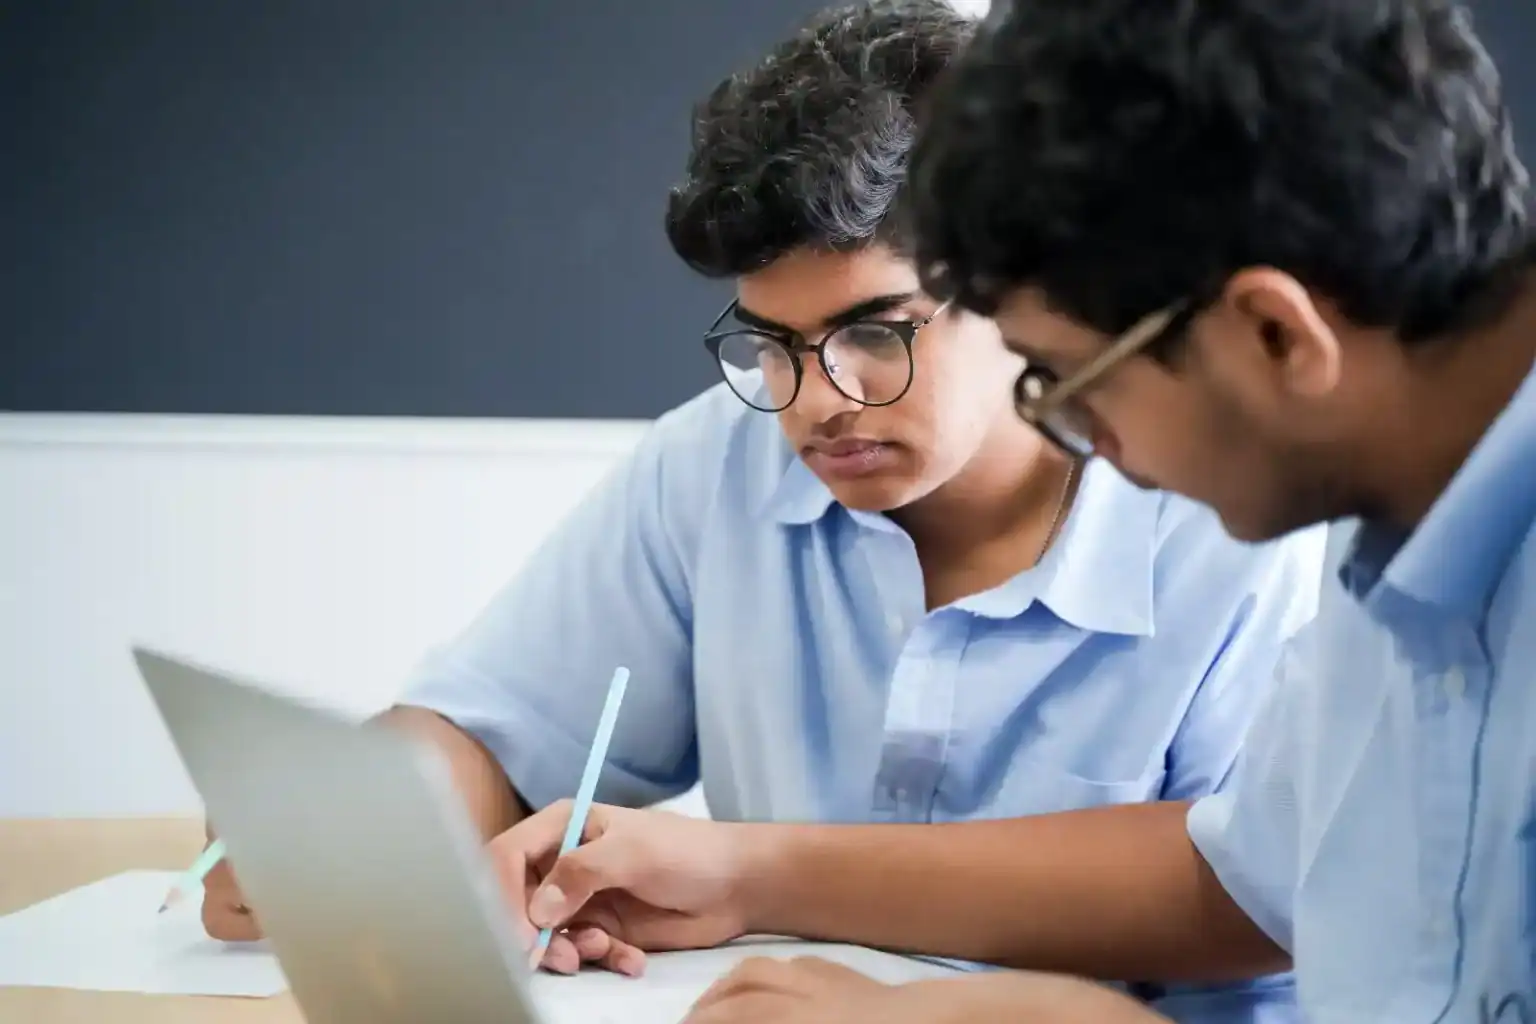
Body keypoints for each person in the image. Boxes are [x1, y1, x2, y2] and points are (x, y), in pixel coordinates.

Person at [202, 3, 1323, 1019]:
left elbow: (1253, 889)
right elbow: (497, 734)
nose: (818, 402)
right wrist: (358, 817)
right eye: (770, 345)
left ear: (1020, 285)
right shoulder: (720, 460)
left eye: (878, 331)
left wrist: (740, 871)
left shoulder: (1224, 498)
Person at [486, 0, 1536, 1021]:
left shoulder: (1316, 543)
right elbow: (1252, 872)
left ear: (1275, 335)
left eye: (1070, 376)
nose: (1077, 433)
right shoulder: (1392, 557)